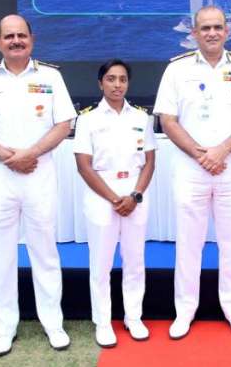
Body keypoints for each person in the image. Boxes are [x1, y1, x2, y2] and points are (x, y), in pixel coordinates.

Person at [0, 14, 77, 355]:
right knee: (1, 255)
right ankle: (5, 327)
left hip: (39, 174)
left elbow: (64, 124)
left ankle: (53, 323)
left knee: (45, 252)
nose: (16, 41)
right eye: (9, 36)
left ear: (32, 39)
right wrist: (8, 157)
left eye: (21, 35)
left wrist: (30, 154)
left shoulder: (50, 76)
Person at [153, 6, 231, 340]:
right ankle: (185, 310)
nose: (212, 33)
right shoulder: (176, 70)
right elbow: (167, 120)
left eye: (218, 27)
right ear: (194, 33)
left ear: (227, 31)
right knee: (189, 243)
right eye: (205, 28)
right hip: (191, 169)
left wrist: (222, 151)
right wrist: (200, 154)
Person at [74, 59, 156, 347]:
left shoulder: (142, 118)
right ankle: (103, 321)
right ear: (101, 83)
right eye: (111, 79)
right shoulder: (87, 119)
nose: (117, 84)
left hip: (135, 192)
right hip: (102, 193)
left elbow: (149, 162)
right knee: (101, 263)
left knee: (135, 261)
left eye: (122, 79)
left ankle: (133, 317)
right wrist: (113, 198)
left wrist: (134, 196)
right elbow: (84, 166)